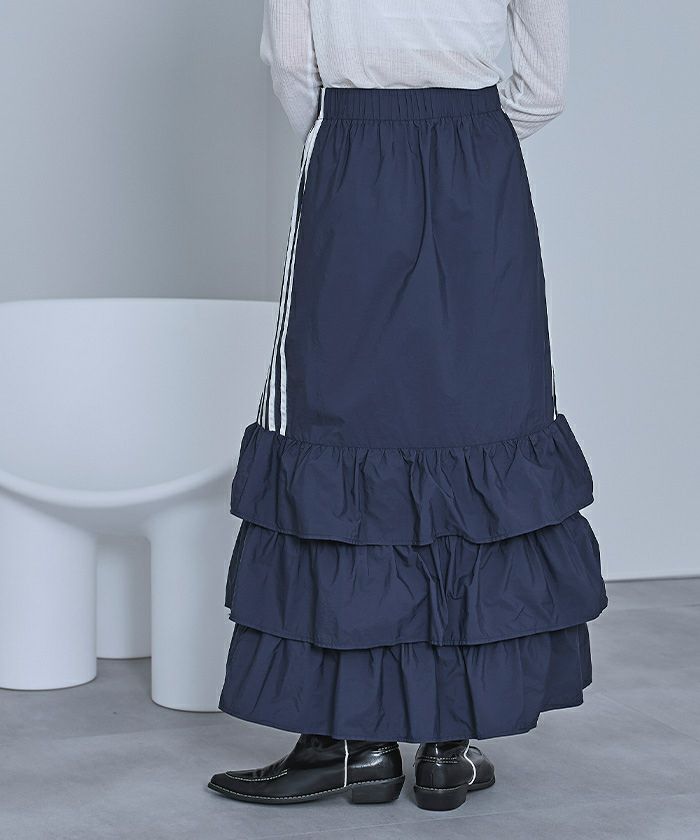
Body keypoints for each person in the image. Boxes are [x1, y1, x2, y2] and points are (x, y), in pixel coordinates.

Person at [208, 0, 607, 811]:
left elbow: (291, 63)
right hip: (480, 158)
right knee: (479, 423)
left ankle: (352, 743)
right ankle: (447, 745)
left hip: (354, 150)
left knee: (337, 425)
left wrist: (359, 141)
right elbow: (544, 86)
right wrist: (462, 137)